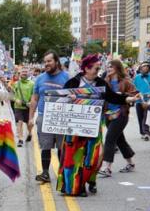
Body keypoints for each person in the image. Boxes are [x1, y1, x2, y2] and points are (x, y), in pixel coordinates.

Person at [57, 55, 135, 196]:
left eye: (99, 68)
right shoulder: (73, 82)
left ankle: (90, 181)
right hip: (74, 127)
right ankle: (75, 187)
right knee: (73, 158)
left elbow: (112, 96)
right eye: (96, 68)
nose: (99, 71)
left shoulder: (100, 83)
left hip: (93, 125)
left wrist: (127, 98)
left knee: (93, 158)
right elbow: (59, 98)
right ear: (86, 68)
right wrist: (69, 98)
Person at [29, 50, 70, 183]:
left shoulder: (67, 77)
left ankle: (63, 172)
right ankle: (45, 173)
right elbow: (34, 98)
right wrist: (31, 117)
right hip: (43, 117)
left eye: (49, 61)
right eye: (45, 61)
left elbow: (74, 97)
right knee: (45, 146)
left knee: (61, 147)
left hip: (61, 117)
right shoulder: (40, 78)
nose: (46, 64)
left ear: (56, 62)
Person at [98, 60, 139, 177]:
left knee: (110, 139)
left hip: (121, 114)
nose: (109, 68)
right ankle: (130, 164)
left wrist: (124, 96)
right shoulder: (105, 81)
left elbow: (135, 94)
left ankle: (107, 167)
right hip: (108, 114)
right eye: (108, 66)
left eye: (111, 66)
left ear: (117, 68)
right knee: (120, 140)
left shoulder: (126, 82)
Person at [11, 67, 34, 146]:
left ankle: (30, 133)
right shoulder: (16, 84)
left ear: (28, 73)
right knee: (19, 122)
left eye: (25, 71)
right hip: (18, 107)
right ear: (19, 73)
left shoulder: (32, 84)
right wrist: (15, 99)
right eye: (22, 72)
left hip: (28, 107)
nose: (24, 73)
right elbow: (11, 95)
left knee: (29, 124)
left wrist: (31, 102)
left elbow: (34, 95)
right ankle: (20, 139)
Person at [133, 61, 150, 140]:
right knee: (140, 117)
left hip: (148, 101)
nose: (145, 68)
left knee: (146, 116)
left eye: (147, 67)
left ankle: (146, 133)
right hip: (139, 100)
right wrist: (137, 94)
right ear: (140, 68)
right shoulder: (137, 77)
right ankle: (142, 132)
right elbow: (133, 87)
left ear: (149, 68)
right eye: (143, 67)